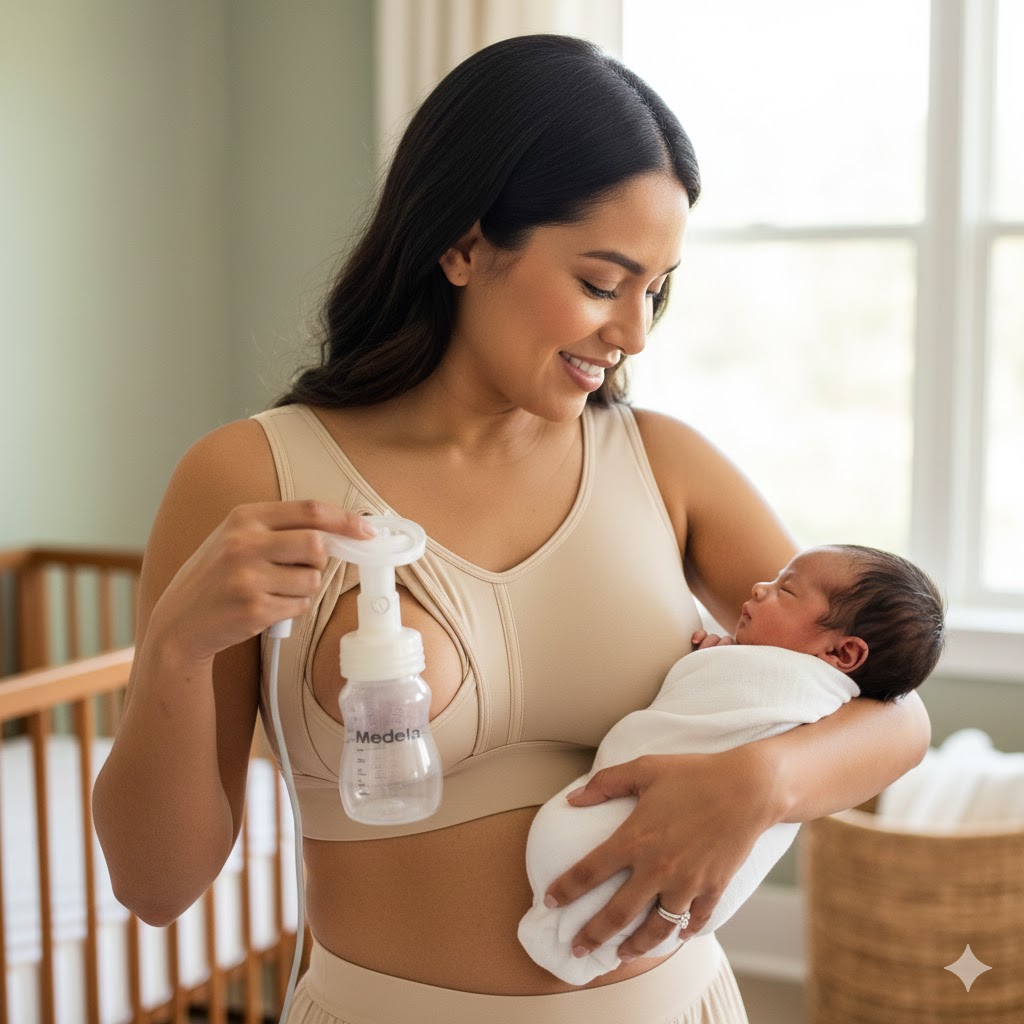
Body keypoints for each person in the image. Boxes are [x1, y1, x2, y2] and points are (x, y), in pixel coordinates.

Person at [91, 34, 932, 1024]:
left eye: (654, 289)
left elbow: (896, 715)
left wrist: (760, 779)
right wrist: (180, 649)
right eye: (600, 280)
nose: (634, 332)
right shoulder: (250, 474)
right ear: (462, 242)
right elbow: (155, 888)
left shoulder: (662, 462)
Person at [519, 544, 946, 984]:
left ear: (842, 655)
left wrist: (722, 673)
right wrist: (725, 659)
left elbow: (905, 724)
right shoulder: (775, 668)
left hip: (654, 925)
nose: (761, 587)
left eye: (787, 590)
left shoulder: (813, 694)